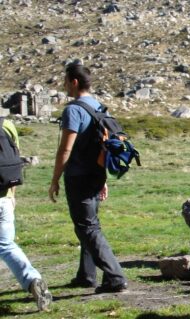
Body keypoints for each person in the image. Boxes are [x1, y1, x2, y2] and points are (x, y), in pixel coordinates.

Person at [49, 62, 128, 293]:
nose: (64, 85)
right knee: (90, 224)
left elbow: (66, 149)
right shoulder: (100, 107)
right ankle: (86, 275)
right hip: (95, 174)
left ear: (74, 82)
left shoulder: (73, 110)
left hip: (79, 176)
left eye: (65, 81)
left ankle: (115, 277)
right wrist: (103, 179)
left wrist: (55, 179)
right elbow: (104, 146)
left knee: (87, 227)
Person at [0, 118, 52, 311]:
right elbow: (15, 158)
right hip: (5, 197)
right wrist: (12, 194)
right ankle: (32, 280)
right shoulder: (6, 124)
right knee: (6, 245)